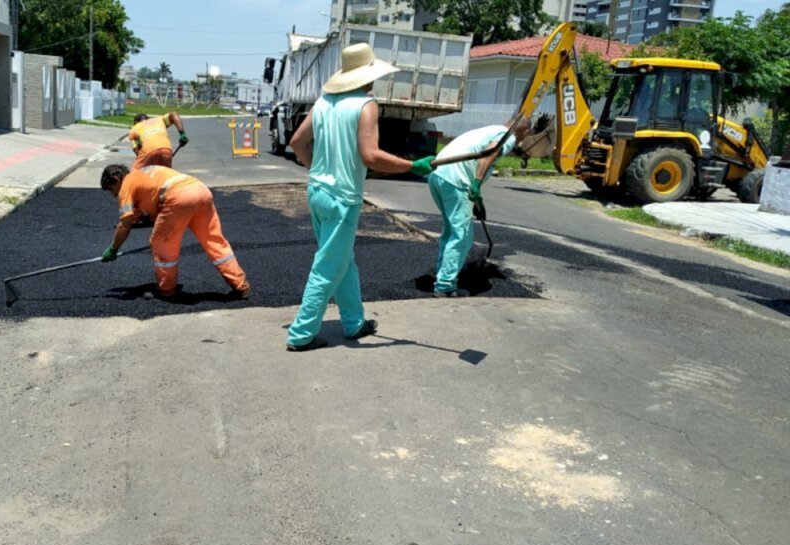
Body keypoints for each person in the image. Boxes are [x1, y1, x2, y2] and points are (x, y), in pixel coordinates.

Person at [285, 43, 437, 352]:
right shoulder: (367, 105)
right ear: (369, 75)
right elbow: (370, 156)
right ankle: (301, 334)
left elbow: (297, 142)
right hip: (342, 199)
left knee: (343, 261)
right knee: (328, 266)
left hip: (317, 193)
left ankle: (354, 322)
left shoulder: (324, 102)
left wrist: (318, 169)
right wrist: (411, 166)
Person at [100, 164, 251, 300]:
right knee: (214, 241)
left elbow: (125, 224)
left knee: (161, 242)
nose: (114, 195)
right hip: (201, 190)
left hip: (178, 198)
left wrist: (113, 248)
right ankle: (240, 286)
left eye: (112, 189)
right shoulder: (144, 174)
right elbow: (140, 212)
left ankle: (166, 289)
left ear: (116, 179)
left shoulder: (127, 183)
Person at [426, 116, 531, 298]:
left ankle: (441, 273)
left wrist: (476, 198)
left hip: (438, 175)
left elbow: (476, 159)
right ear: (526, 132)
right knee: (462, 236)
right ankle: (445, 286)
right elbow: (490, 154)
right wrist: (475, 185)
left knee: (450, 230)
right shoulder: (508, 137)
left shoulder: (490, 129)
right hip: (455, 180)